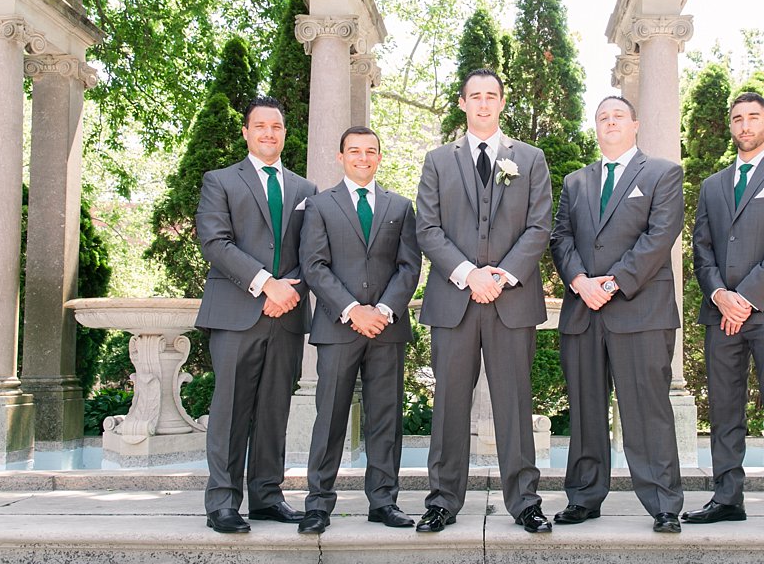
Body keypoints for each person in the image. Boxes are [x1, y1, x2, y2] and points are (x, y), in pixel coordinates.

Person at [414, 68, 553, 534]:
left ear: (501, 102)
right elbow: (427, 228)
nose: (483, 103)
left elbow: (539, 227)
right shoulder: (437, 160)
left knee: (514, 402)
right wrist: (468, 274)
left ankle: (525, 502)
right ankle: (442, 501)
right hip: (454, 300)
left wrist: (503, 275)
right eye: (475, 96)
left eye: (491, 96)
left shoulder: (530, 159)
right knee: (449, 403)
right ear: (462, 103)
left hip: (510, 299)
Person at [550, 95, 685, 534]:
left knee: (648, 410)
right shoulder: (576, 182)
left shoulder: (662, 173)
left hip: (640, 309)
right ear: (596, 127)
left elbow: (659, 236)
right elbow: (561, 237)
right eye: (603, 117)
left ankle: (664, 504)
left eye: (618, 116)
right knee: (586, 411)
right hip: (583, 311)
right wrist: (579, 281)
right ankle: (585, 497)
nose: (610, 122)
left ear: (635, 125)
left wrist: (611, 282)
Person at [685, 91, 764, 535]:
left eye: (753, 118)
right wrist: (720, 295)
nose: (744, 126)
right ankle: (726, 497)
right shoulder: (712, 185)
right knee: (724, 407)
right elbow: (701, 249)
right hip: (721, 313)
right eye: (737, 118)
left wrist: (748, 298)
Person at [194, 96, 316, 533]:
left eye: (276, 127)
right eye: (260, 126)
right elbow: (215, 242)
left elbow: (313, 252)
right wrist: (266, 283)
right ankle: (223, 502)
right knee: (229, 407)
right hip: (236, 311)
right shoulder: (221, 181)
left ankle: (267, 496)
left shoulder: (305, 190)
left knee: (273, 408)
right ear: (246, 132)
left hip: (287, 313)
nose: (269, 133)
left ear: (285, 133)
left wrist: (288, 290)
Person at [296, 126, 422, 535]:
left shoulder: (400, 207)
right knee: (330, 416)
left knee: (385, 418)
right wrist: (353, 311)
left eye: (371, 151)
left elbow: (409, 266)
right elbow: (314, 266)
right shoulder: (318, 206)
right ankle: (317, 504)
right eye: (354, 151)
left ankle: (383, 501)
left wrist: (382, 310)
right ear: (341, 156)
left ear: (379, 157)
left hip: (386, 329)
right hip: (338, 327)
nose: (363, 157)